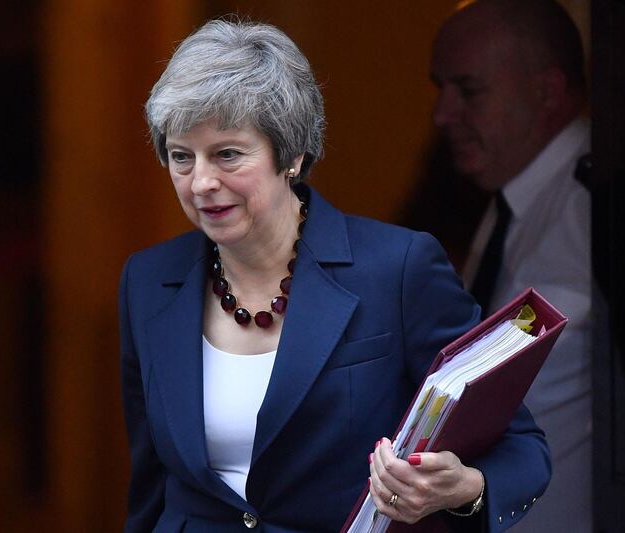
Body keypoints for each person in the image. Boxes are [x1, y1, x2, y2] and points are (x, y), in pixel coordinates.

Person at [119, 18, 551, 532]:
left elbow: (523, 450)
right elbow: (150, 488)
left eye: (228, 154)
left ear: (292, 156)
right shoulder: (147, 282)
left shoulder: (398, 269)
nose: (202, 182)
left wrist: (464, 489)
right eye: (181, 157)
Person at [430, 1, 594, 531]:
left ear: (546, 90)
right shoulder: (513, 199)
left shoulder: (591, 207)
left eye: (469, 90)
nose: (442, 115)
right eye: (441, 88)